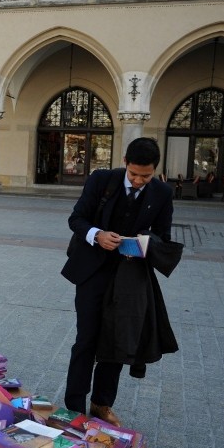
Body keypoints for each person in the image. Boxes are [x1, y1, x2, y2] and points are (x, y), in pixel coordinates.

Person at [60, 137, 174, 426]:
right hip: (92, 273)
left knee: (116, 341)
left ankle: (101, 404)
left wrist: (144, 242)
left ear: (155, 170)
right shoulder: (102, 180)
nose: (138, 181)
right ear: (125, 162)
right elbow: (77, 219)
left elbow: (164, 236)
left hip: (130, 278)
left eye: (145, 176)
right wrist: (97, 234)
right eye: (134, 174)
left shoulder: (162, 192)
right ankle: (74, 407)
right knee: (86, 339)